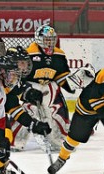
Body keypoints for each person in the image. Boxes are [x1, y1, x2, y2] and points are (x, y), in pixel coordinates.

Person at [0, 46, 52, 174]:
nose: (25, 66)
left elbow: (13, 103)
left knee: (6, 139)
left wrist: (33, 123)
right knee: (1, 143)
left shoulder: (12, 79)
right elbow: (11, 105)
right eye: (21, 63)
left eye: (26, 63)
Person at [11, 24, 76, 152]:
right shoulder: (28, 53)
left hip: (50, 87)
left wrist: (70, 87)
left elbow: (61, 77)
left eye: (51, 39)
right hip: (31, 86)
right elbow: (19, 78)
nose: (49, 42)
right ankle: (15, 140)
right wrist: (26, 91)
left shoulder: (59, 54)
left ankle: (59, 140)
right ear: (38, 39)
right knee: (29, 110)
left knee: (56, 110)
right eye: (46, 39)